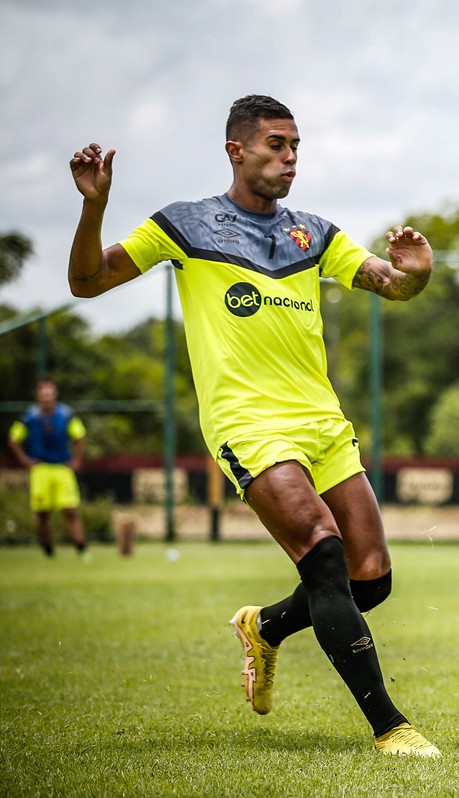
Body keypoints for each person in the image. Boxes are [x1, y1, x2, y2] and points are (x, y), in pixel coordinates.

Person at [67, 95, 439, 756]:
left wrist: (416, 275)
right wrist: (94, 206)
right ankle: (391, 726)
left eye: (295, 146)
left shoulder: (314, 234)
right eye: (275, 144)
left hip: (322, 423)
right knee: (323, 553)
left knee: (371, 578)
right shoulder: (184, 225)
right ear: (236, 150)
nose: (289, 158)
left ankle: (265, 625)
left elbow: (391, 285)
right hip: (248, 424)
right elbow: (88, 282)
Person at [8, 376, 89, 559]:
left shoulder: (66, 415)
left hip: (62, 468)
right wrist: (24, 459)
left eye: (49, 391)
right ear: (38, 394)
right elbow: (13, 439)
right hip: (40, 469)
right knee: (42, 513)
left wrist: (76, 460)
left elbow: (80, 436)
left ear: (55, 393)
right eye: (43, 391)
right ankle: (48, 550)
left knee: (70, 509)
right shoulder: (29, 417)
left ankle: (82, 549)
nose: (46, 395)